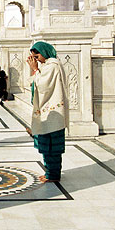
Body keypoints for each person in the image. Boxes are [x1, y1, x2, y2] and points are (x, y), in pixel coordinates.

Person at [26, 41, 68, 183]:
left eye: (37, 55)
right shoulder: (48, 66)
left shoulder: (52, 66)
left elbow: (43, 86)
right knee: (46, 144)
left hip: (53, 114)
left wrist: (35, 69)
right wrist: (37, 70)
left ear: (44, 52)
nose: (36, 59)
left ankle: (53, 174)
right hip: (49, 113)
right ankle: (50, 172)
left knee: (52, 146)